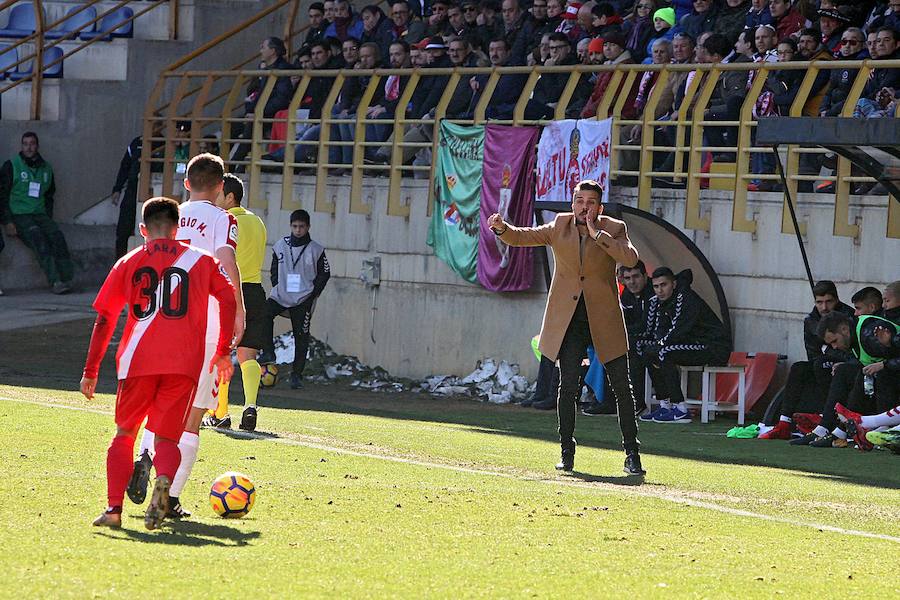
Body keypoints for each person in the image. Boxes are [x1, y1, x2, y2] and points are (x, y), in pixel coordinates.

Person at [81, 197, 236, 529]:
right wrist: (223, 350)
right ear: (178, 228)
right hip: (183, 364)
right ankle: (163, 481)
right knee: (168, 438)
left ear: (142, 230)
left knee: (125, 434)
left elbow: (104, 319)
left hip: (138, 360)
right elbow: (228, 298)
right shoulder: (201, 260)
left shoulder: (128, 261)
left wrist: (90, 371)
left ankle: (113, 511)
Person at [488, 179, 645, 476]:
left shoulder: (613, 228)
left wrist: (598, 234)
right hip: (570, 319)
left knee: (622, 389)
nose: (584, 207)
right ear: (572, 203)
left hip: (604, 317)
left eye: (590, 202)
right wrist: (502, 228)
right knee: (568, 385)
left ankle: (632, 453)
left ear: (599, 207)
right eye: (579, 201)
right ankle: (566, 452)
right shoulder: (559, 225)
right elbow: (524, 236)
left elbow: (630, 258)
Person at [132, 154, 245, 519]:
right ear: (221, 187)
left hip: (165, 321)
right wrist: (239, 309)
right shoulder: (222, 218)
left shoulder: (169, 216)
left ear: (186, 184)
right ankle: (173, 497)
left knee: (163, 407)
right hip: (206, 326)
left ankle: (145, 455)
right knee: (194, 416)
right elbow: (226, 262)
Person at [204, 174, 267, 433]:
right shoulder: (258, 221)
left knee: (223, 353)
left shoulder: (226, 222)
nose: (215, 200)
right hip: (255, 291)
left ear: (230, 197)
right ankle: (250, 406)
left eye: (218, 195)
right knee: (248, 355)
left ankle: (221, 412)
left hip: (231, 291)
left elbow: (223, 260)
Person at [633, 267, 731, 423]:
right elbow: (655, 330)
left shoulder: (685, 298)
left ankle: (680, 408)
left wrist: (660, 343)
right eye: (656, 287)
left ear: (674, 283)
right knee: (644, 349)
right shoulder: (659, 302)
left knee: (662, 351)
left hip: (711, 347)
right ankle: (664, 405)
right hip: (688, 344)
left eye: (663, 285)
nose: (660, 291)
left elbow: (678, 331)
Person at [760, 280, 855, 440]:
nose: (824, 307)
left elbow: (851, 351)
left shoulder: (849, 317)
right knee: (799, 367)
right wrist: (827, 352)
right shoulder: (810, 320)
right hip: (823, 362)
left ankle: (827, 417)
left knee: (822, 365)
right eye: (819, 302)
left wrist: (829, 351)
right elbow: (813, 353)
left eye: (828, 301)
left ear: (837, 300)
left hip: (845, 363)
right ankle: (784, 422)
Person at [261, 209, 331, 390]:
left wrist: (313, 295)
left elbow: (325, 273)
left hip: (302, 298)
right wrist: (277, 285)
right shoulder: (280, 245)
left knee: (301, 336)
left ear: (308, 227)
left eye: (301, 227)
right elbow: (274, 268)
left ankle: (296, 375)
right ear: (290, 226)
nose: (298, 230)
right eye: (295, 226)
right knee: (264, 314)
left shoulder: (316, 250)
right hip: (281, 295)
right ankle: (269, 351)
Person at [0, 132, 74, 294]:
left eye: (32, 144)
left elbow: (49, 195)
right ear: (21, 146)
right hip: (20, 214)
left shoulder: (46, 168)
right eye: (25, 144)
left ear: (37, 146)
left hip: (40, 214)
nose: (29, 147)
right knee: (38, 239)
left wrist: (48, 215)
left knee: (57, 236)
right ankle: (55, 281)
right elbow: (2, 194)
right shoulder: (11, 165)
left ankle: (68, 278)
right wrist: (7, 221)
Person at [111, 136, 143, 259]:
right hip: (131, 191)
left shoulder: (163, 143)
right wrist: (117, 189)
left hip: (148, 190)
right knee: (123, 231)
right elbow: (125, 166)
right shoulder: (136, 143)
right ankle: (119, 263)